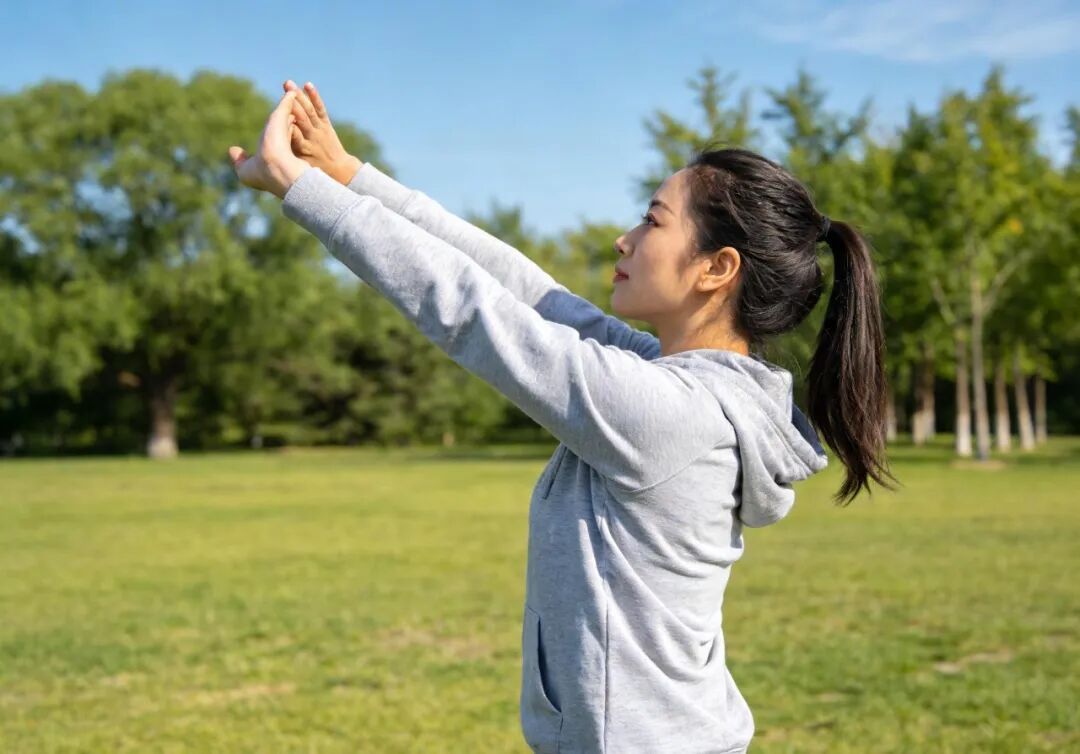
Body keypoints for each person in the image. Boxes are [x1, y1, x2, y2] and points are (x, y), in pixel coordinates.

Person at [229, 83, 896, 754]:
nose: (624, 238)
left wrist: (298, 189)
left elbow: (468, 309)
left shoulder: (667, 413)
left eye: (653, 221)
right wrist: (349, 177)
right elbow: (521, 288)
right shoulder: (678, 386)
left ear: (716, 269)